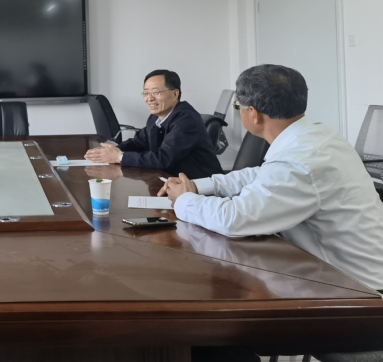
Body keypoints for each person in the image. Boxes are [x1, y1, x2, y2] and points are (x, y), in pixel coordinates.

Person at [161, 64, 383, 291]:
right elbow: (259, 174)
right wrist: (198, 186)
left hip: (358, 289)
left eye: (238, 106)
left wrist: (184, 199)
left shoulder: (298, 161)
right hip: (342, 273)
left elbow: (234, 219)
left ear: (253, 113)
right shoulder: (316, 135)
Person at [84, 70, 223, 180]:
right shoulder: (155, 118)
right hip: (171, 182)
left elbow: (163, 158)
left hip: (202, 189)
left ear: (175, 94)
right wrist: (111, 151)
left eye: (156, 92)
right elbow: (138, 143)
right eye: (146, 93)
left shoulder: (186, 119)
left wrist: (119, 157)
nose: (149, 98)